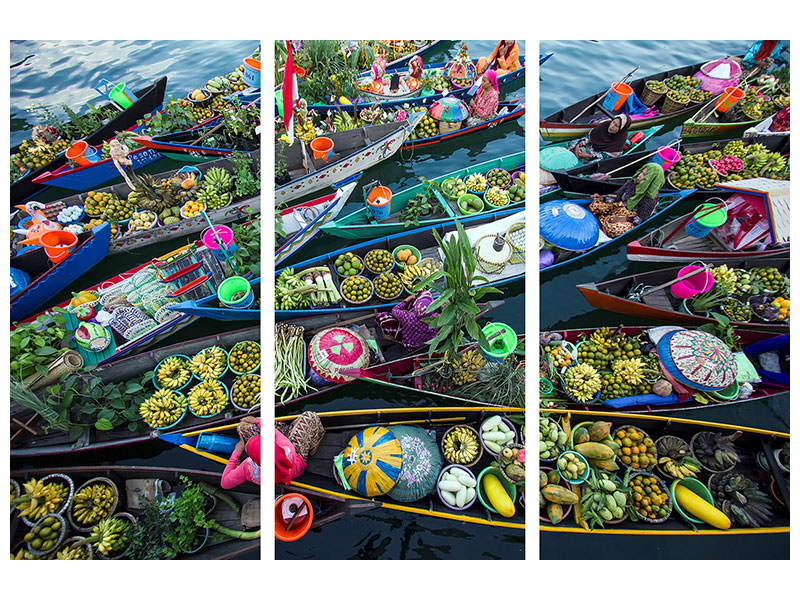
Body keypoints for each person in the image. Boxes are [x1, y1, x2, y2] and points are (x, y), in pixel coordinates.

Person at [376, 290, 440, 351]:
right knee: (426, 293)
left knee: (383, 317)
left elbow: (394, 310)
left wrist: (407, 299)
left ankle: (394, 339)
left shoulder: (408, 317)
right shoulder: (437, 319)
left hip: (408, 343)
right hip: (423, 342)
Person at [276, 411, 325, 485]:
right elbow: (287, 447)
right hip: (294, 459)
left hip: (283, 459)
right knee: (310, 417)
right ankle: (313, 444)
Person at [221, 416, 261, 489]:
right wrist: (257, 421)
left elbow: (225, 484)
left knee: (242, 426)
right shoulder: (285, 447)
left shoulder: (249, 466)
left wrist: (236, 452)